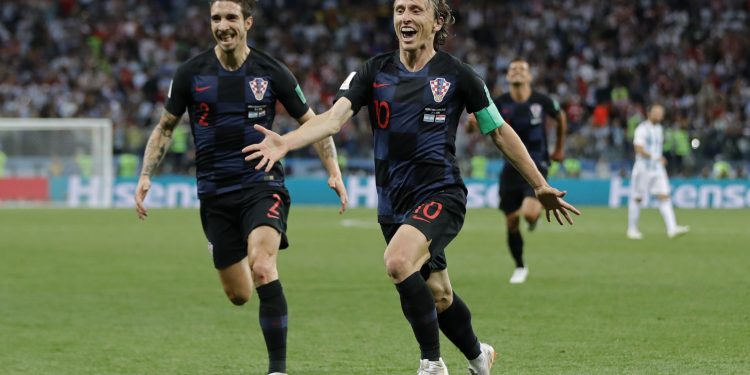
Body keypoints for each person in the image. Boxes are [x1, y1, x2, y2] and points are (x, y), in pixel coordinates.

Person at [243, 1, 580, 373]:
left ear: (437, 22)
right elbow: (333, 118)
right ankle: (479, 357)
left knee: (398, 261)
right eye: (400, 9)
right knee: (439, 295)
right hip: (392, 202)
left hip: (441, 193)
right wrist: (287, 142)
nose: (405, 16)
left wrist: (539, 184)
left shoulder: (459, 75)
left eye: (416, 9)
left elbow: (499, 131)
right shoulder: (372, 72)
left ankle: (431, 363)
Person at [133, 1, 348, 374]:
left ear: (247, 22)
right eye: (216, 18)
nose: (223, 25)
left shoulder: (271, 70)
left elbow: (312, 122)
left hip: (261, 183)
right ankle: (231, 248)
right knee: (240, 294)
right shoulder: (191, 73)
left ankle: (277, 370)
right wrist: (146, 173)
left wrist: (333, 169)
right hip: (215, 193)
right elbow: (165, 127)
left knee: (263, 266)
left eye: (231, 17)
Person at [469, 59, 568, 284]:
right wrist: (470, 124)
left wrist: (559, 148)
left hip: (538, 162)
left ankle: (534, 217)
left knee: (529, 213)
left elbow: (560, 117)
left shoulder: (542, 101)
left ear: (530, 77)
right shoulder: (499, 102)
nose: (517, 71)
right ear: (507, 77)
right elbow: (476, 119)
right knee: (511, 221)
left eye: (522, 68)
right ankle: (520, 266)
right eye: (512, 69)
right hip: (510, 165)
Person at [627, 104, 689, 240]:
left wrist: (658, 159)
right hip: (643, 168)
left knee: (664, 195)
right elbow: (638, 149)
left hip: (657, 169)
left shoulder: (660, 129)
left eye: (661, 113)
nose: (659, 115)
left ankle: (672, 228)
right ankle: (632, 229)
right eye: (656, 112)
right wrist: (655, 157)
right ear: (649, 113)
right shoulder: (642, 129)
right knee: (638, 197)